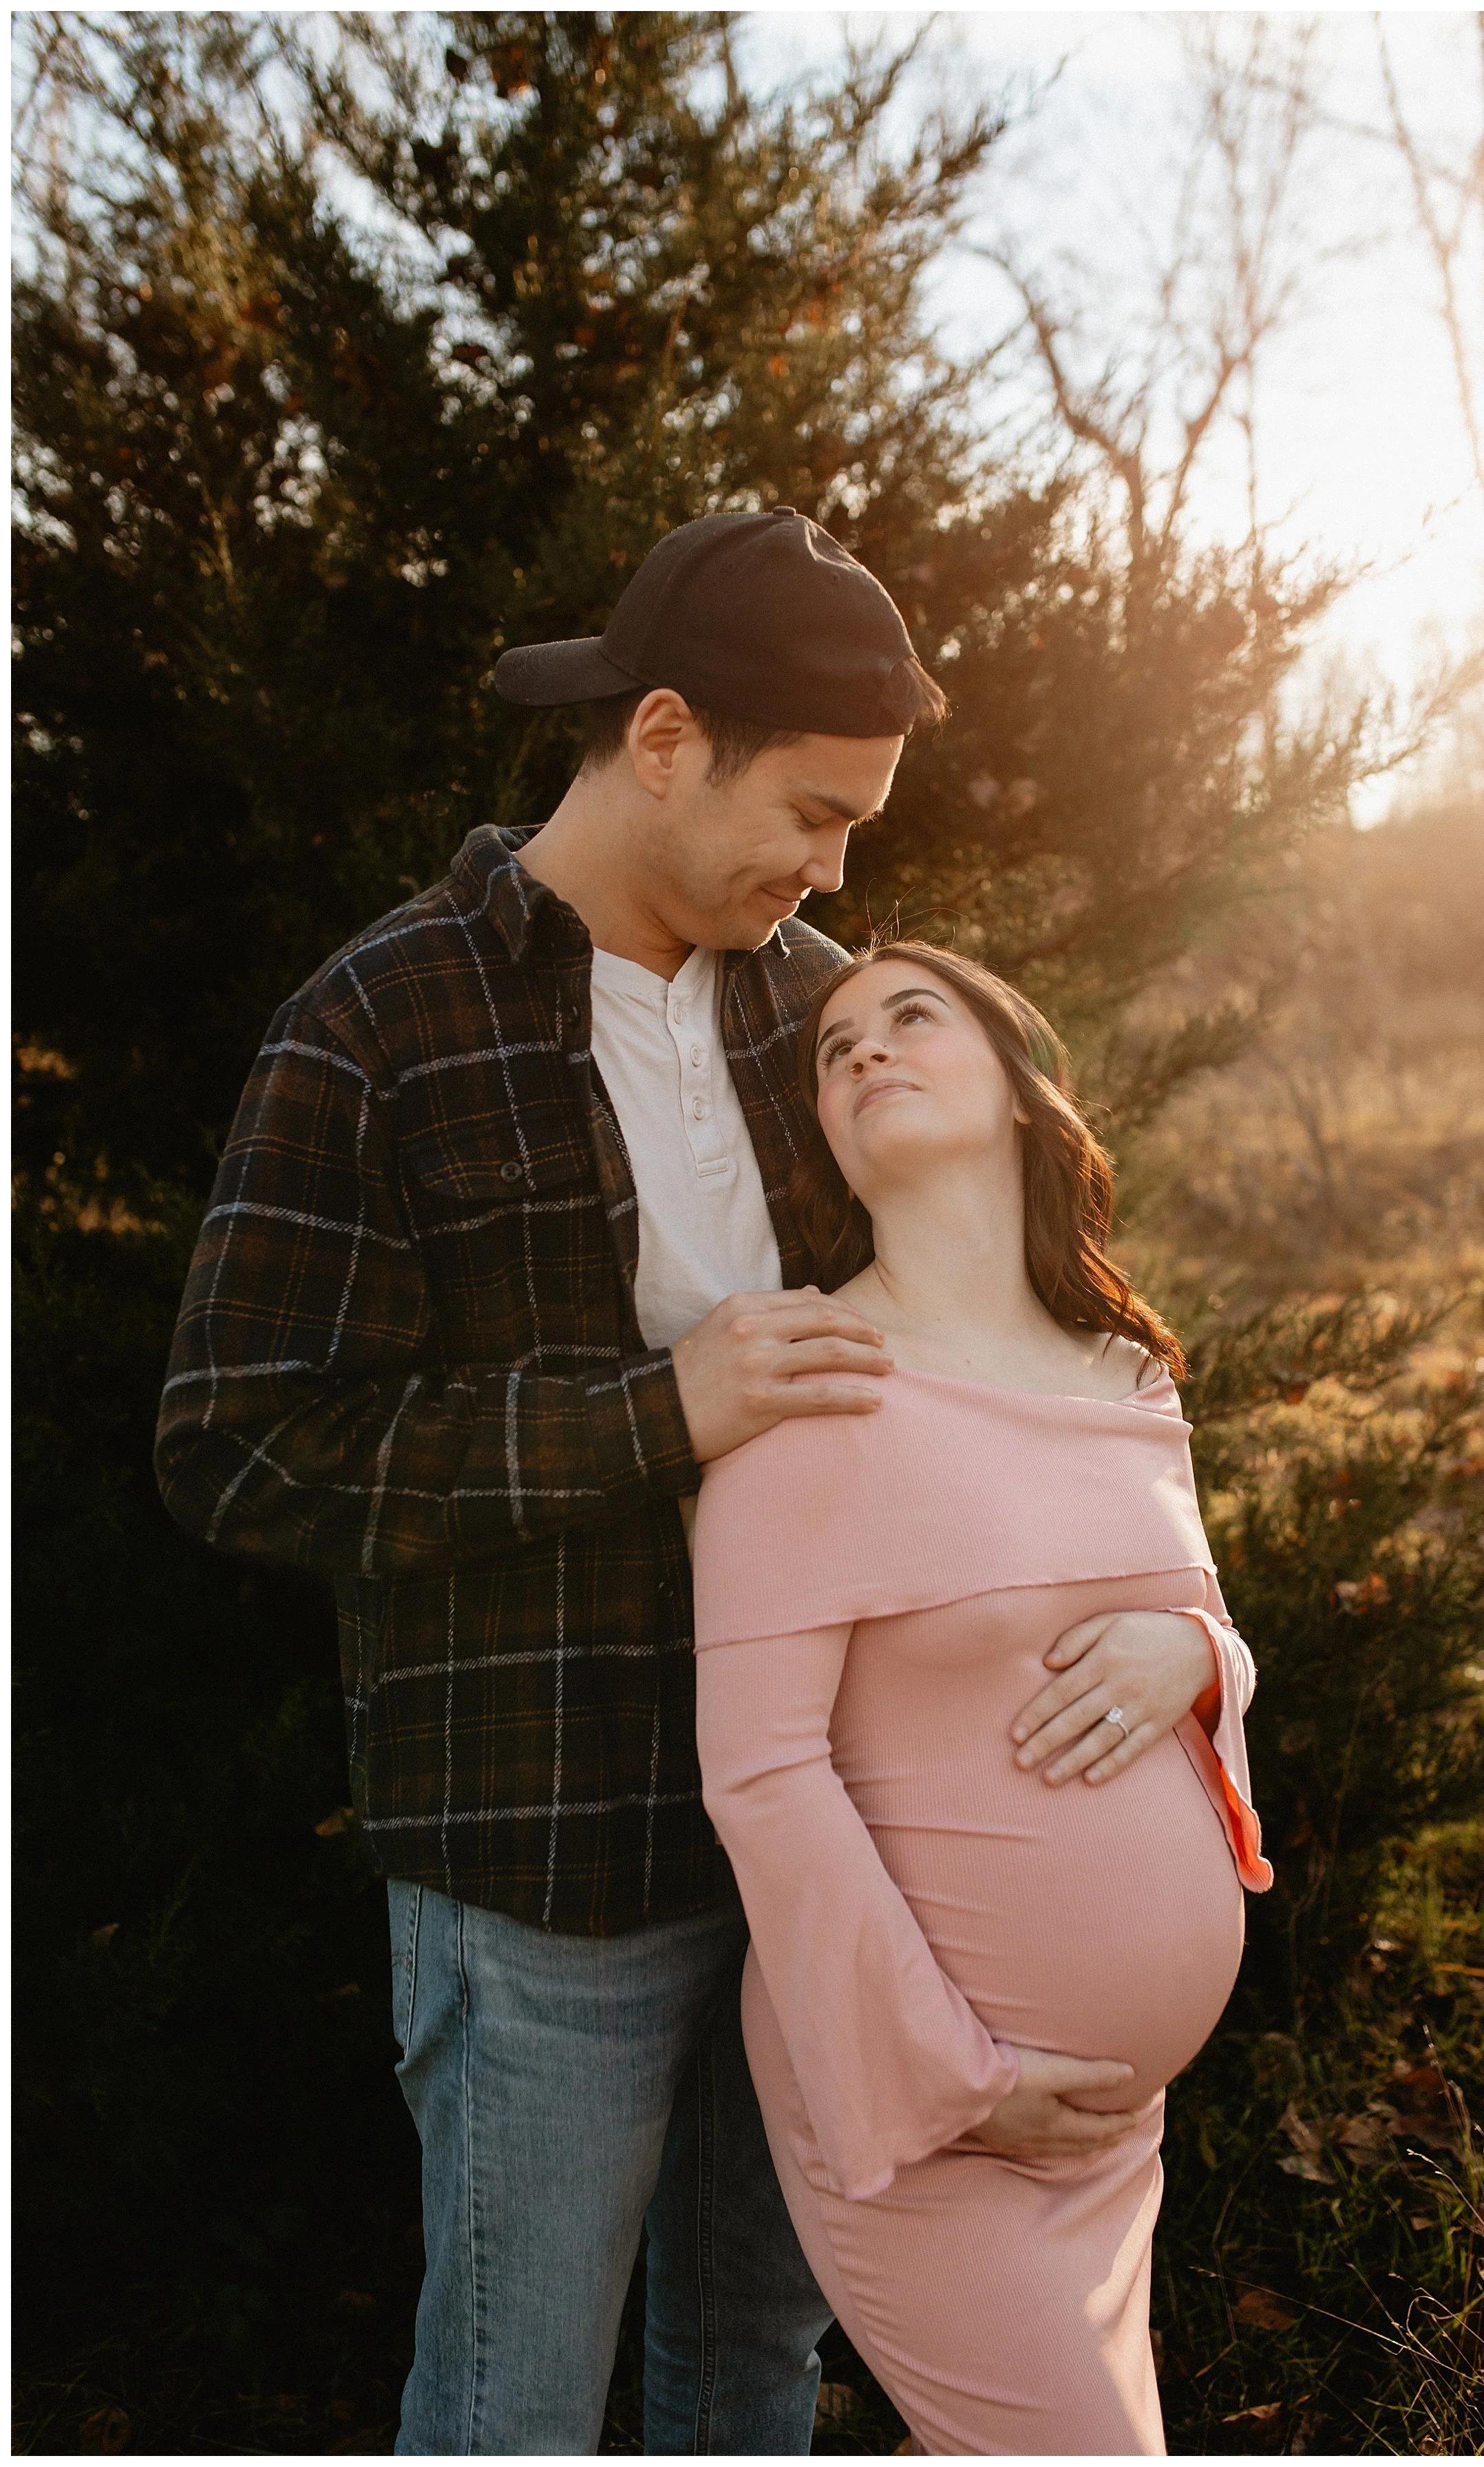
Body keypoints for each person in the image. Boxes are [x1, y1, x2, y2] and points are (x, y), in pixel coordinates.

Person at [155, 512, 1223, 2455]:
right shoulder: (378, 1027)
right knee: (514, 2407)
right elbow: (235, 1441)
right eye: (814, 816)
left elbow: (1004, 1375)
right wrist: (656, 1411)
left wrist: (1182, 1636)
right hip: (545, 1868)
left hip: (857, 1885)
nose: (837, 877)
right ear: (662, 738)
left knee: (751, 2378)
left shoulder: (816, 1011)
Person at [692, 942, 1273, 2458]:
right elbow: (761, 1778)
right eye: (835, 1049)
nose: (867, 1052)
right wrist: (966, 2082)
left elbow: (1205, 1619)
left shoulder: (1128, 1375)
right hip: (933, 2109)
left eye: (912, 1017)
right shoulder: (814, 1391)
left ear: (1022, 1092)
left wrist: (1197, 1661)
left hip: (1103, 2129)